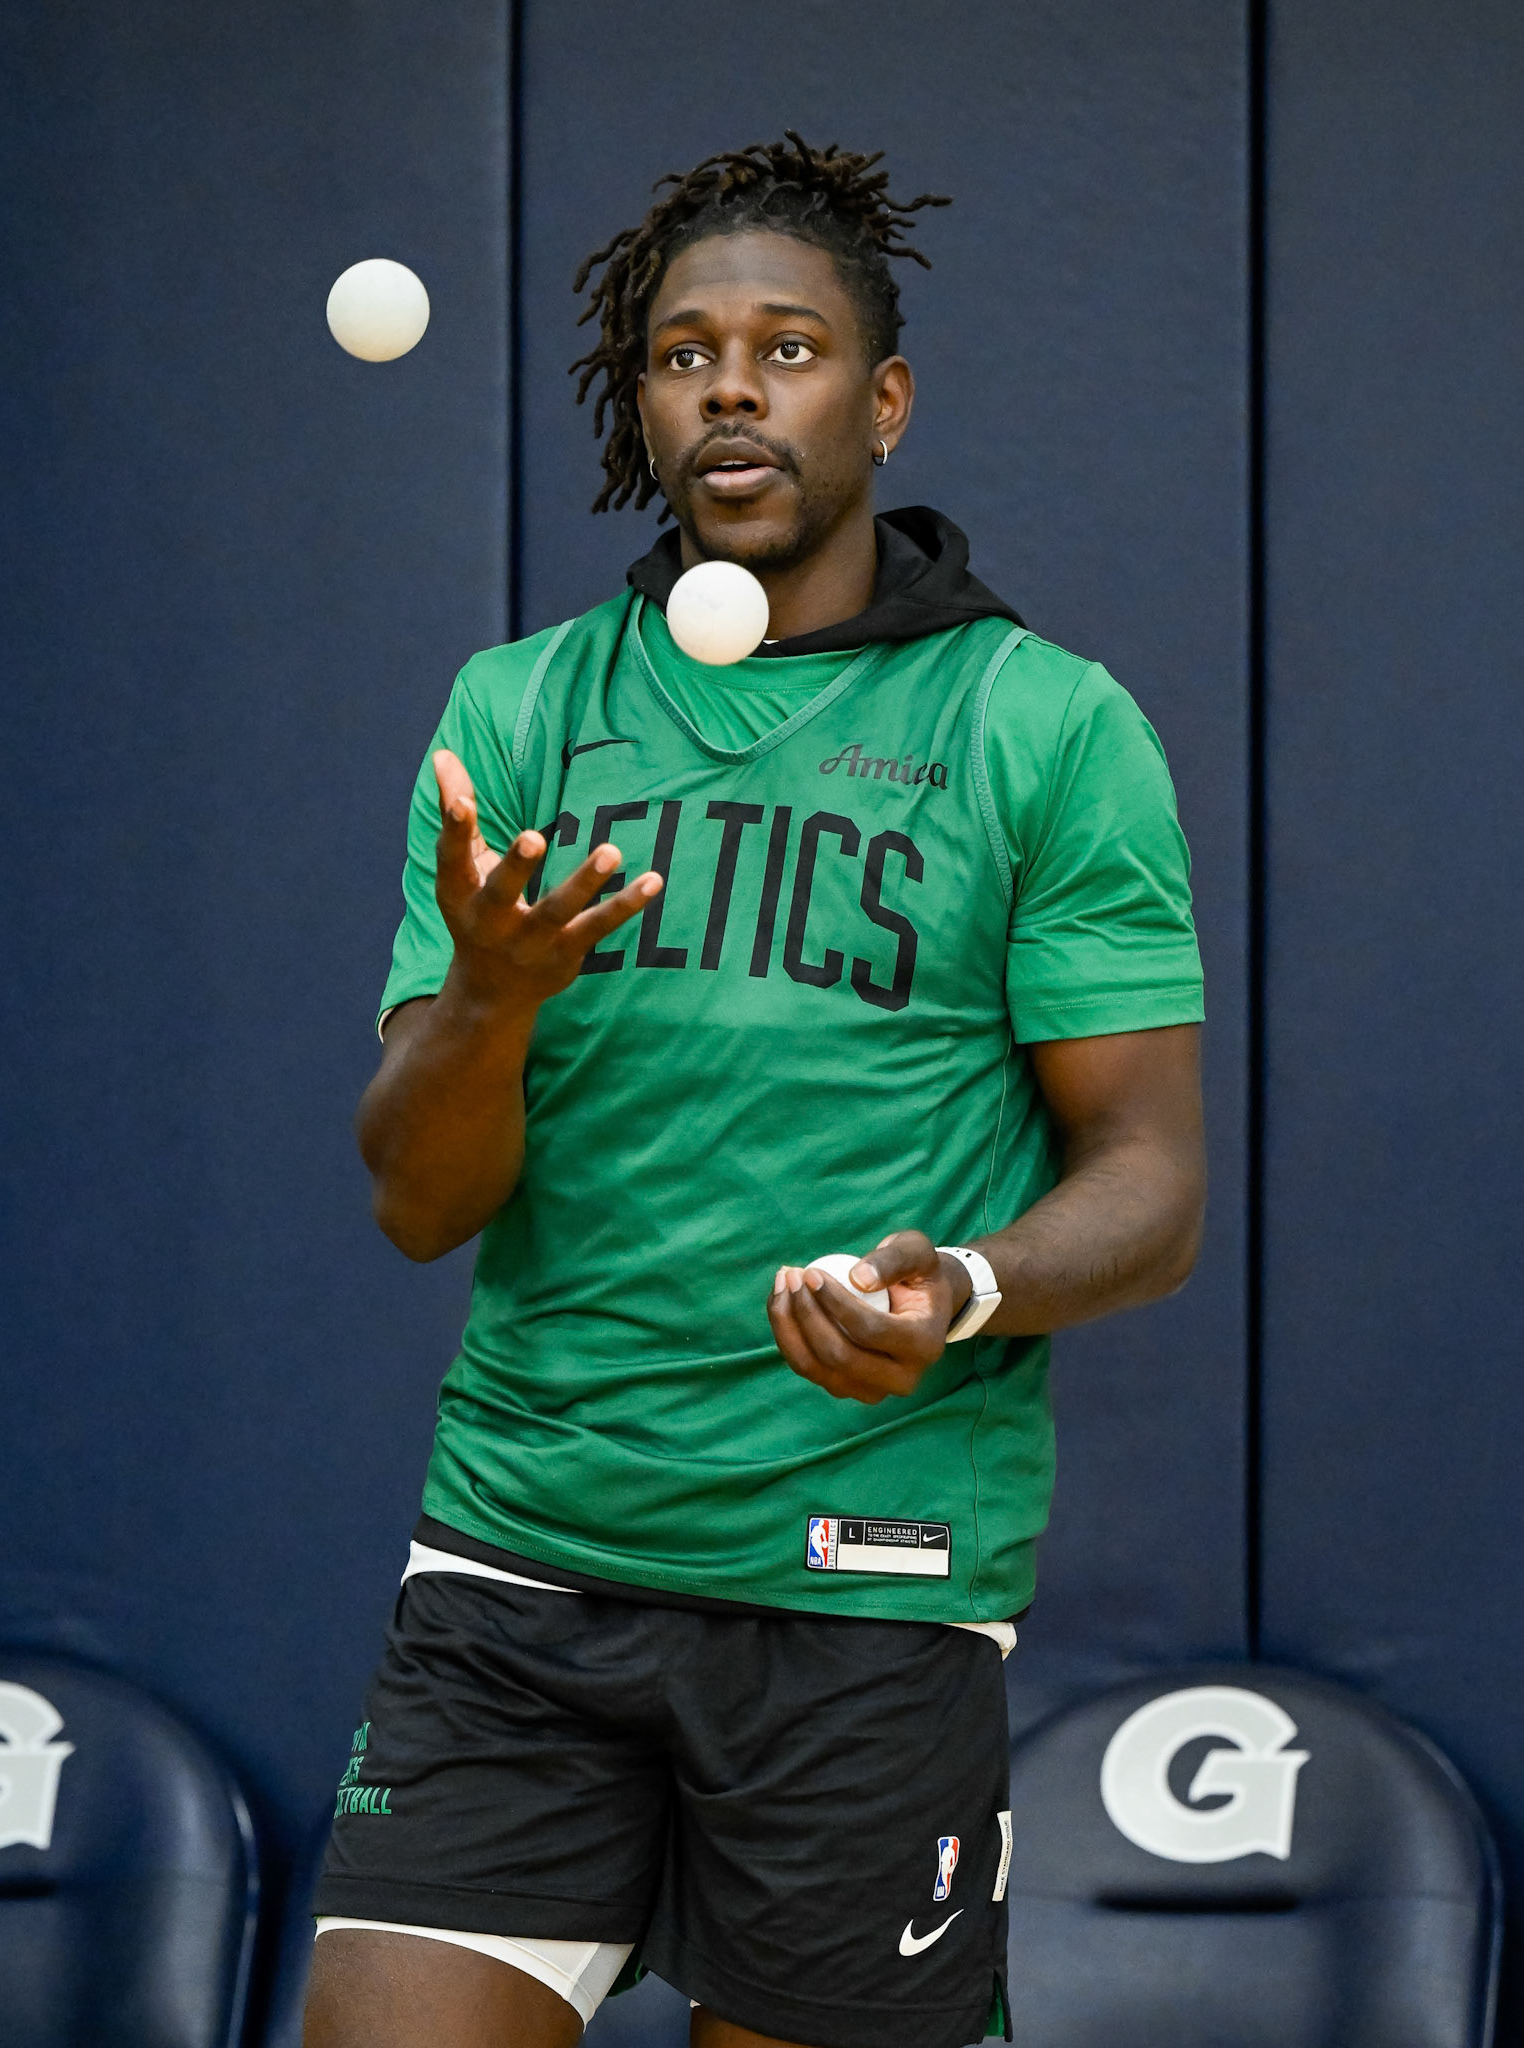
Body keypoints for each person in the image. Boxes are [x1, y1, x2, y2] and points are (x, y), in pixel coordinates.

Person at [304, 134, 1206, 2048]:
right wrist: (488, 994)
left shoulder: (1041, 725)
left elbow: (1148, 1181)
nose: (728, 383)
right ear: (640, 405)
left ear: (879, 401)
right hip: (521, 1559)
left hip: (861, 1593)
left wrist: (958, 1288)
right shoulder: (520, 715)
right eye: (681, 352)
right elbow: (414, 1201)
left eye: (786, 348)